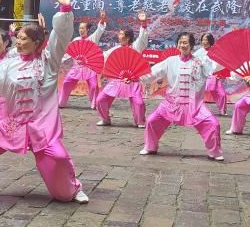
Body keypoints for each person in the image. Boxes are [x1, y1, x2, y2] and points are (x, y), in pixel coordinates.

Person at [0, 0, 89, 204]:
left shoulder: (49, 62)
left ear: (36, 42)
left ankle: (72, 188)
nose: (18, 42)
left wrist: (65, 10)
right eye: (19, 38)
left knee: (59, 158)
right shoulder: (9, 65)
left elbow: (60, 38)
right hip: (12, 126)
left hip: (42, 128)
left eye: (23, 38)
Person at [139, 32, 224, 160]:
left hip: (195, 105)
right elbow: (152, 73)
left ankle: (215, 152)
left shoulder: (200, 62)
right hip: (171, 104)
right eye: (180, 42)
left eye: (185, 42)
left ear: (191, 45)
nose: (182, 45)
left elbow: (216, 65)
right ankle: (150, 147)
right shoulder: (170, 61)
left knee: (213, 124)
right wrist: (135, 77)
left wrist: (228, 57)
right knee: (152, 120)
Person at [95, 11, 148, 127]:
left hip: (132, 81)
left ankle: (140, 120)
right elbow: (102, 58)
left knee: (138, 103)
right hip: (116, 81)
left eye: (121, 34)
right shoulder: (115, 49)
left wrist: (143, 23)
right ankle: (105, 118)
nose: (118, 35)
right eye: (119, 33)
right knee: (100, 99)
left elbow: (143, 38)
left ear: (127, 38)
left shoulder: (136, 47)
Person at [59, 11, 106, 109]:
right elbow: (69, 52)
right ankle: (62, 102)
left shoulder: (92, 39)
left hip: (89, 68)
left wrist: (102, 20)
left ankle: (93, 103)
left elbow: (99, 30)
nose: (81, 30)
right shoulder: (76, 40)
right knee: (66, 83)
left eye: (83, 28)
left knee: (93, 86)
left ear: (88, 29)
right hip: (76, 68)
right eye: (80, 28)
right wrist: (59, 60)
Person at [194, 33, 227, 115]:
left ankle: (222, 110)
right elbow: (193, 62)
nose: (204, 42)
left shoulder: (215, 51)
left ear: (210, 41)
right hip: (201, 76)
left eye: (206, 40)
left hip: (214, 76)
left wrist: (218, 74)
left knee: (221, 93)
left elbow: (220, 64)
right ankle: (195, 109)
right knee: (197, 93)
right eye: (203, 40)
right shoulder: (199, 52)